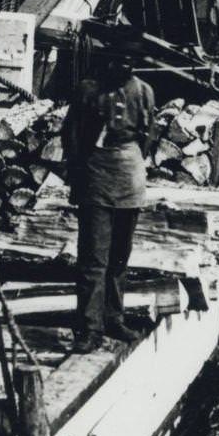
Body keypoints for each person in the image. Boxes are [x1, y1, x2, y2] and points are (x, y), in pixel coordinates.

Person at [60, 46, 157, 354]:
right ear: (107, 61)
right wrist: (78, 175)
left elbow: (148, 135)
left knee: (119, 258)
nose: (123, 66)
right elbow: (72, 134)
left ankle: (114, 318)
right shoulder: (88, 90)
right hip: (96, 176)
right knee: (93, 259)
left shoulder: (143, 91)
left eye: (129, 61)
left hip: (129, 176)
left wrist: (133, 159)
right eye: (118, 60)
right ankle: (90, 328)